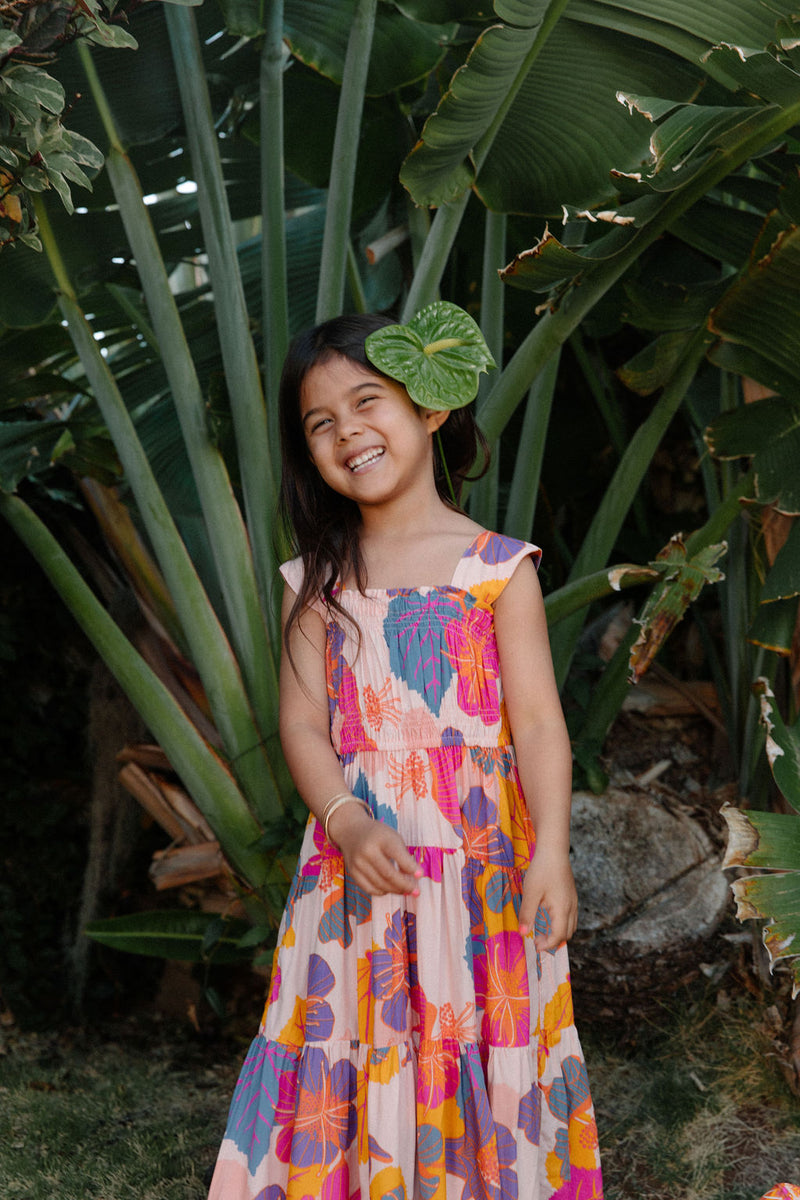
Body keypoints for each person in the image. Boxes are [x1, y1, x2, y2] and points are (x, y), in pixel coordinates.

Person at [208, 310, 603, 1199]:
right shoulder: (314, 581)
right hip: (360, 869)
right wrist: (343, 819)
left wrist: (551, 853)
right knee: (356, 1031)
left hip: (481, 865)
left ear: (429, 411)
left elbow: (538, 724)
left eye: (366, 401)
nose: (347, 430)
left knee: (474, 1034)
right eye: (320, 422)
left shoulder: (498, 568)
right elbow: (304, 724)